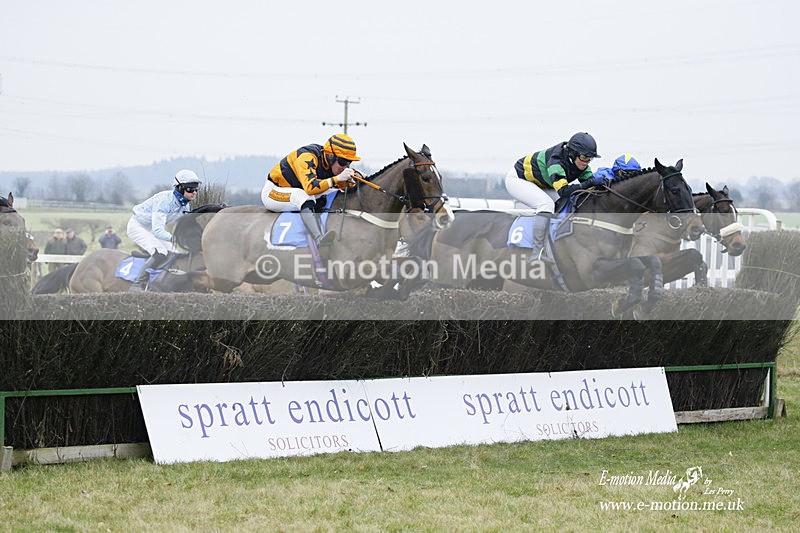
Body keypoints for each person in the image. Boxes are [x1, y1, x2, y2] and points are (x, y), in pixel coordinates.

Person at [505, 132, 601, 263]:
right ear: (573, 153)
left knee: (565, 204)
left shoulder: (580, 163)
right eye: (584, 157)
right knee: (546, 205)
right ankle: (537, 252)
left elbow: (590, 188)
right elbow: (564, 191)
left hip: (542, 183)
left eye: (590, 158)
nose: (586, 162)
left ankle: (554, 245)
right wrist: (589, 184)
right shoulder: (556, 161)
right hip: (518, 180)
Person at [261, 133, 359, 251]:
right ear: (330, 156)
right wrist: (338, 178)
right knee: (303, 196)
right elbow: (310, 188)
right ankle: (318, 238)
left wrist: (357, 178)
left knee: (333, 192)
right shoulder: (307, 157)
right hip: (274, 192)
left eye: (349, 163)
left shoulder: (330, 164)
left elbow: (343, 187)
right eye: (343, 162)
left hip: (298, 189)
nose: (345, 167)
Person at [126, 169, 200, 291]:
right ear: (180, 188)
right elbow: (158, 231)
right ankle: (137, 284)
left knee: (175, 252)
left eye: (196, 189)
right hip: (137, 227)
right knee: (160, 252)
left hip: (150, 228)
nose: (194, 193)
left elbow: (184, 226)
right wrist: (177, 239)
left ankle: (161, 279)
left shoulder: (185, 204)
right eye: (190, 189)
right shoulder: (164, 201)